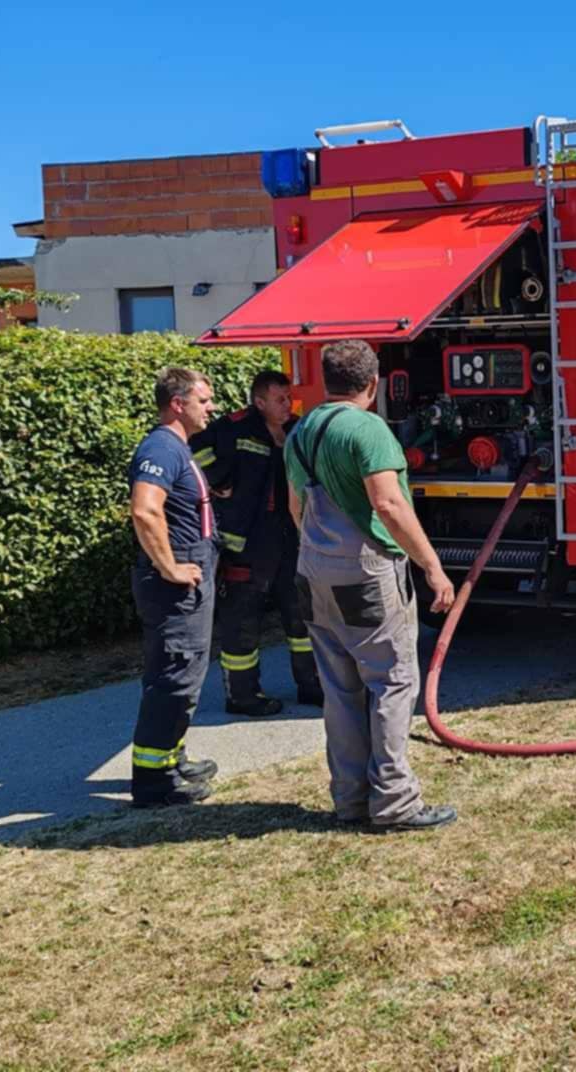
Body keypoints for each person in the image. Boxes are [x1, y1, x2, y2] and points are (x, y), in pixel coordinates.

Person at [285, 340, 458, 831]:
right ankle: (396, 802)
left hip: (312, 572)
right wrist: (431, 566)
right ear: (374, 383)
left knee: (339, 689)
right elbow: (388, 505)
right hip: (363, 572)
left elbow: (297, 506)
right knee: (391, 681)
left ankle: (350, 798)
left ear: (325, 381)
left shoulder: (302, 430)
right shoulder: (369, 429)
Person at [192, 369, 323, 715]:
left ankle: (312, 686)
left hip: (289, 537)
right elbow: (196, 448)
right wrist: (218, 481)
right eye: (279, 399)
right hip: (247, 542)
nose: (287, 403)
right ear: (259, 401)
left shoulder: (298, 427)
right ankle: (243, 696)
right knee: (241, 623)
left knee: (301, 617)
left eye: (288, 396)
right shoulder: (234, 426)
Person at [126, 368, 221, 808]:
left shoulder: (179, 448)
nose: (212, 407)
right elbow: (146, 511)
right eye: (204, 400)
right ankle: (153, 783)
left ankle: (171, 759)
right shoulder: (161, 447)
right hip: (175, 585)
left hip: (192, 575)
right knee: (173, 678)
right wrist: (171, 568)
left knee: (184, 674)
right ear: (178, 404)